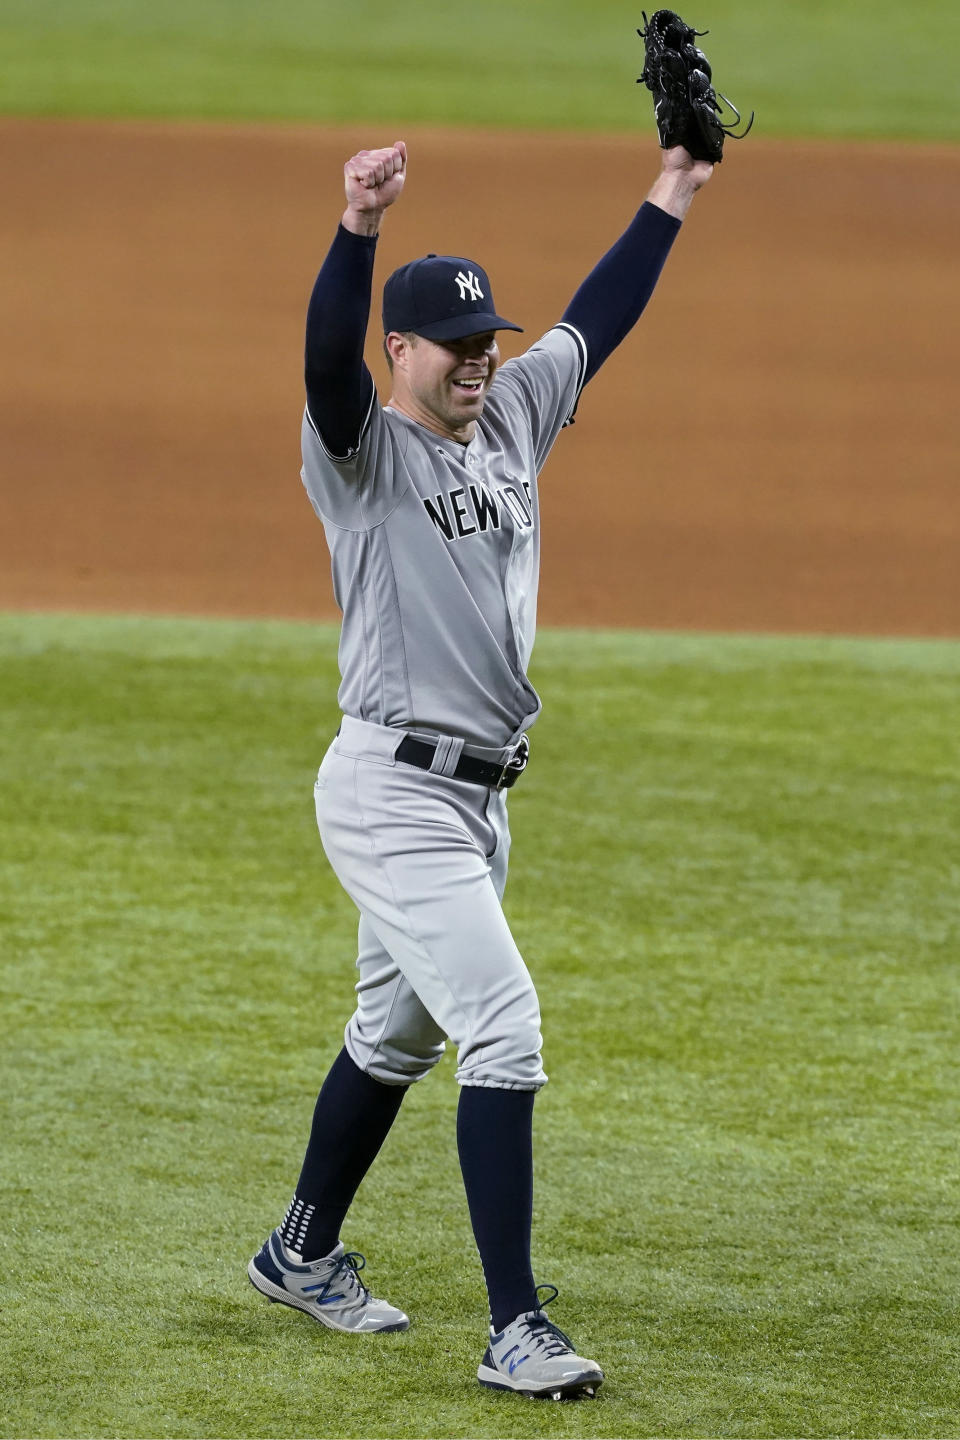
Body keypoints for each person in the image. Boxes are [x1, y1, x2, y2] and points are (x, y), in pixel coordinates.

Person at [248, 136, 713, 1401]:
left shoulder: (508, 415)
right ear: (399, 352)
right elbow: (319, 360)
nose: (478, 358)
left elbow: (594, 323)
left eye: (484, 337)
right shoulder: (357, 457)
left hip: (479, 801)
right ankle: (516, 1329)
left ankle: (300, 1251)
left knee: (392, 1036)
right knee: (502, 1031)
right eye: (452, 345)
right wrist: (357, 227)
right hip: (392, 790)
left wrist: (677, 182)